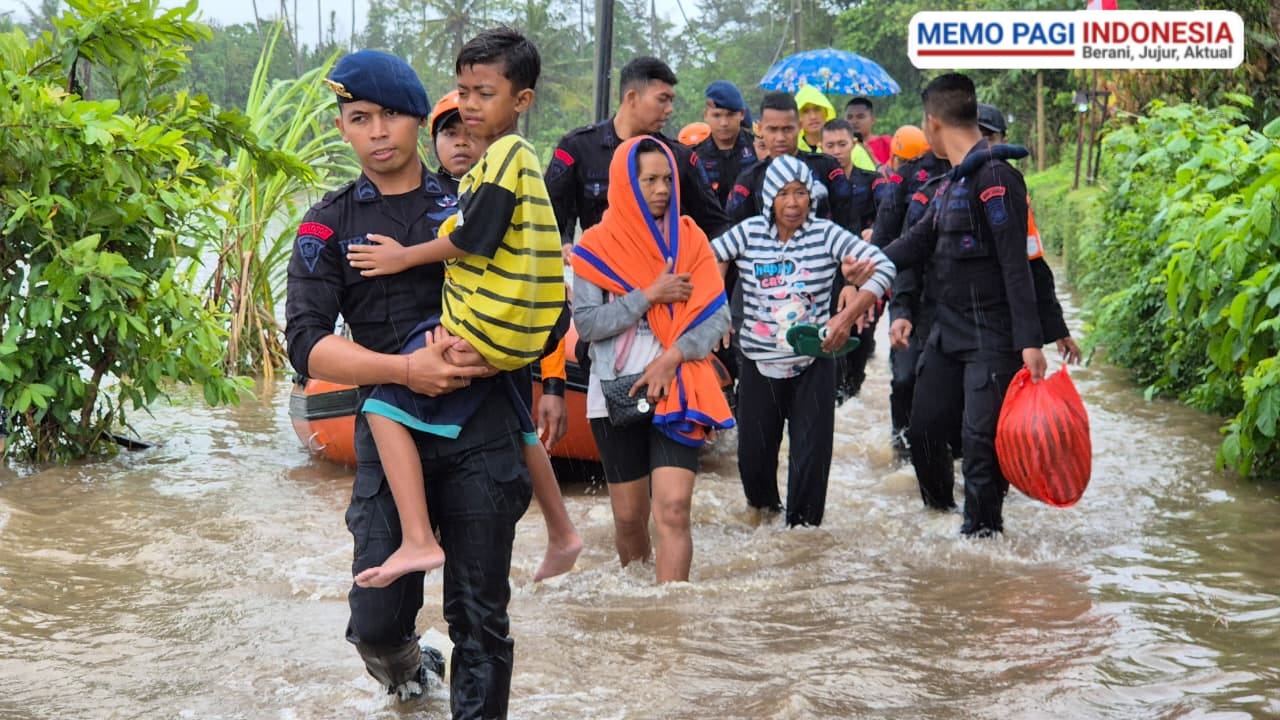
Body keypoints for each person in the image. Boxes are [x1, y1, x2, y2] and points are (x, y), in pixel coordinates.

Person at [345, 88, 583, 586]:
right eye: (449, 132)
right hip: (475, 344)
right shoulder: (456, 196)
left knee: (504, 424)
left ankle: (554, 532)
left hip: (491, 344)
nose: (461, 140)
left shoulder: (493, 195)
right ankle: (561, 530)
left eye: (470, 130)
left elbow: (547, 296)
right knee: (521, 427)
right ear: (432, 141)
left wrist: (555, 384)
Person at [879, 73, 1047, 538]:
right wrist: (868, 263)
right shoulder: (952, 182)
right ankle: (940, 517)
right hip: (947, 334)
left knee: (978, 443)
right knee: (926, 429)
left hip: (992, 338)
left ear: (931, 122)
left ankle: (982, 537)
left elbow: (1020, 263)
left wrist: (1031, 342)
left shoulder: (997, 179)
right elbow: (916, 241)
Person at [570, 136, 734, 582]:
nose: (662, 189)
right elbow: (586, 325)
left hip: (680, 385)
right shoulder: (596, 247)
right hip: (615, 392)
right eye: (649, 181)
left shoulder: (691, 239)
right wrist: (648, 296)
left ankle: (671, 617)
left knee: (675, 510)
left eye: (667, 179)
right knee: (628, 518)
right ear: (626, 183)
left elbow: (717, 316)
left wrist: (672, 357)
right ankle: (640, 601)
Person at [712, 155, 896, 527]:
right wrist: (717, 307)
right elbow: (708, 257)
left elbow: (885, 266)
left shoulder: (826, 235)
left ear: (812, 197)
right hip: (758, 361)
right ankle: (766, 522)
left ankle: (804, 537)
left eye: (800, 193)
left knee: (811, 461)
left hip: (814, 361)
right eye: (783, 194)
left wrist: (846, 316)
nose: (793, 203)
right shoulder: (748, 233)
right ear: (769, 200)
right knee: (753, 461)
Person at [546, 56, 731, 264]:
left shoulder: (680, 158)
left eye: (671, 100)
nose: (669, 109)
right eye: (662, 99)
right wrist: (564, 243)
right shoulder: (579, 147)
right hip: (602, 277)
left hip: (665, 281)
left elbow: (717, 226)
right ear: (632, 97)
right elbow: (551, 215)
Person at [977, 102, 1083, 366]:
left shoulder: (1012, 192)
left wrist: (1056, 328)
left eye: (989, 138)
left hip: (1000, 324)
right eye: (975, 138)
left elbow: (1032, 264)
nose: (982, 147)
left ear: (1004, 141)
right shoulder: (949, 187)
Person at [693, 80, 757, 207]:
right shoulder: (695, 157)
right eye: (717, 115)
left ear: (742, 114)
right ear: (706, 115)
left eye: (730, 115)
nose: (724, 123)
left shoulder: (757, 149)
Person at [844, 97, 892, 166]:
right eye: (849, 117)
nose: (854, 121)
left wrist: (869, 153)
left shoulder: (886, 143)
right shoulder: (840, 147)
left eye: (860, 117)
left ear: (873, 119)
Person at [794, 84, 836, 154]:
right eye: (805, 111)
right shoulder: (791, 149)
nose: (813, 116)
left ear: (826, 112)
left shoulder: (846, 146)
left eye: (817, 109)